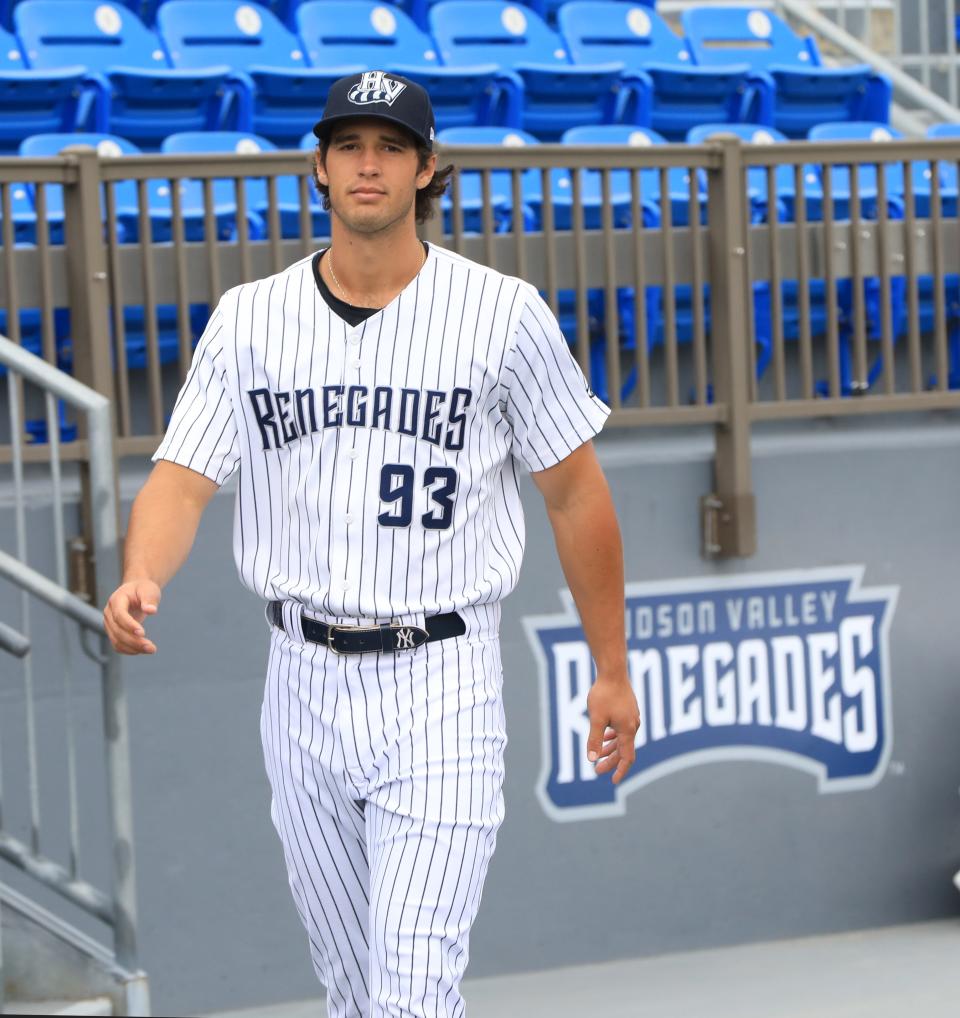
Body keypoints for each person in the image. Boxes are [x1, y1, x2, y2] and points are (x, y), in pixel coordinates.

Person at [103, 70, 640, 1018]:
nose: (368, 164)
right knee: (354, 992)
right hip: (299, 679)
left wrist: (611, 666)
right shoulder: (249, 320)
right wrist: (142, 572)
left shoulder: (502, 315)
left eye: (390, 147)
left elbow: (575, 495)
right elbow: (184, 478)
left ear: (427, 169)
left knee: (412, 988)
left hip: (442, 676)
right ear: (318, 166)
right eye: (349, 145)